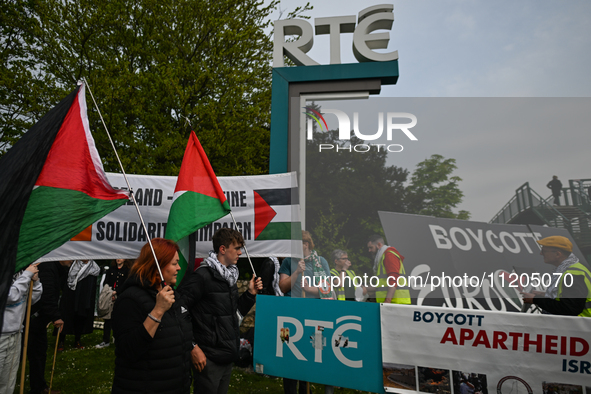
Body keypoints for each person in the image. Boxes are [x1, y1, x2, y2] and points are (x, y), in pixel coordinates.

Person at [179, 228, 262, 394]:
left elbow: (233, 314)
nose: (240, 252)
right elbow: (180, 311)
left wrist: (250, 294)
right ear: (223, 249)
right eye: (237, 248)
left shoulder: (229, 276)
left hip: (227, 356)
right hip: (208, 358)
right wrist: (193, 347)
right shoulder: (202, 276)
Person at [111, 238, 192, 394]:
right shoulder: (130, 299)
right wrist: (157, 311)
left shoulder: (172, 295)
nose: (179, 268)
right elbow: (128, 350)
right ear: (157, 266)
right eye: (174, 263)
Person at [278, 231, 332, 394]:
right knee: (288, 353)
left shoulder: (320, 262)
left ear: (305, 244)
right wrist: (296, 272)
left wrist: (310, 289)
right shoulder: (288, 261)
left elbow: (327, 288)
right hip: (290, 315)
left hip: (313, 316)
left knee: (309, 353)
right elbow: (282, 287)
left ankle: (305, 390)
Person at [27, 260, 72, 394]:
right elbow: (46, 294)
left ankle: (39, 387)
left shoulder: (56, 268)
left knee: (39, 353)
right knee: (35, 353)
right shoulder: (48, 267)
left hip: (38, 318)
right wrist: (55, 316)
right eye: (69, 256)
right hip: (34, 318)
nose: (72, 259)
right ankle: (38, 388)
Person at [521, 235, 591, 316]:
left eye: (543, 251)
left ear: (558, 254)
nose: (541, 253)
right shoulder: (574, 269)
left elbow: (569, 308)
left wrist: (535, 299)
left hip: (577, 325)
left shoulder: (571, 275)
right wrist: (546, 295)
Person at [0, 264, 42, 394]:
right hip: (1, 335)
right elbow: (10, 296)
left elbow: (31, 299)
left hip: (16, 333)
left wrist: (35, 282)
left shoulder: (20, 273)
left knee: (8, 380)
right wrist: (27, 275)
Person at [58, 260, 100, 349]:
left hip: (83, 299)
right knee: (65, 317)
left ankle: (77, 340)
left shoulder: (94, 268)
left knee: (80, 318)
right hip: (70, 296)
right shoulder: (72, 266)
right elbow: (63, 281)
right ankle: (61, 341)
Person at [279, 230, 333, 299]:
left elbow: (328, 289)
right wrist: (296, 272)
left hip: (314, 305)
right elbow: (283, 288)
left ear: (306, 245)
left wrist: (308, 288)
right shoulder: (288, 261)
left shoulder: (321, 261)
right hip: (294, 305)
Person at [96, 258, 132, 348]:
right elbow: (106, 282)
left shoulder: (127, 271)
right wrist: (109, 292)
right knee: (108, 319)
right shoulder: (111, 269)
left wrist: (117, 292)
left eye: (120, 257)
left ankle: (119, 339)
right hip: (110, 296)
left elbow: (126, 284)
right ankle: (106, 340)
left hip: (121, 296)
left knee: (120, 319)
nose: (118, 259)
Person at [366, 235, 411, 304]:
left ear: (379, 245)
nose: (369, 250)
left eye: (371, 247)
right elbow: (382, 287)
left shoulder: (389, 255)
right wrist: (366, 288)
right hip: (393, 303)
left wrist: (387, 301)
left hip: (395, 303)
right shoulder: (383, 257)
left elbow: (393, 278)